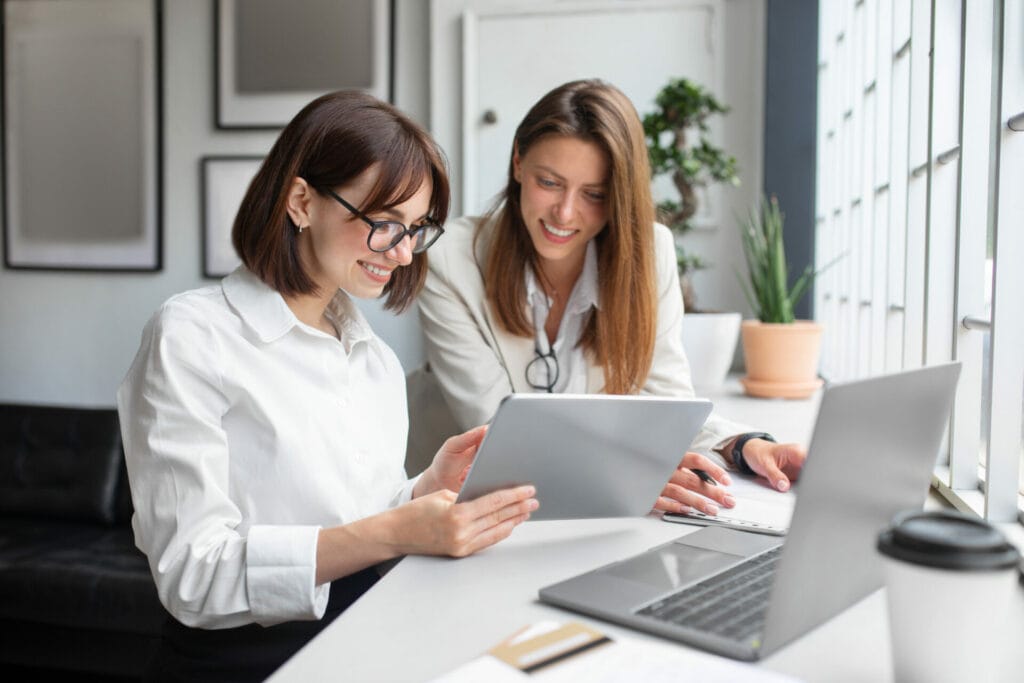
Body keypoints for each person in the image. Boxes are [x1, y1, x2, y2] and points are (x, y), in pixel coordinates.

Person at [117, 91, 538, 682]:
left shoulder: (375, 363)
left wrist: (419, 494)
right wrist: (395, 530)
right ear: (300, 201)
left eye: (417, 229)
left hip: (368, 644)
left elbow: (355, 524)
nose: (403, 251)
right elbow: (194, 576)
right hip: (243, 664)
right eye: (384, 223)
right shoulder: (192, 337)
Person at [414, 79, 806, 517]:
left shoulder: (649, 253)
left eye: (594, 195)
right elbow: (495, 432)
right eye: (549, 182)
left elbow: (666, 407)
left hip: (593, 510)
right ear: (518, 163)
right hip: (463, 510)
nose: (565, 213)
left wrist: (742, 446)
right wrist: (635, 471)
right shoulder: (449, 261)